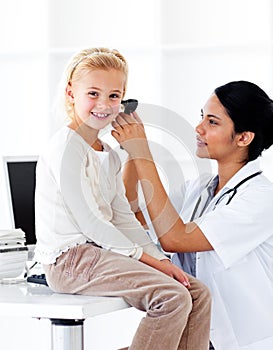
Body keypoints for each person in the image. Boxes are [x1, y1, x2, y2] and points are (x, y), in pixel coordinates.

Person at [34, 47, 211, 350]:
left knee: (196, 293)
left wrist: (158, 259)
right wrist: (146, 258)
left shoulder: (109, 156)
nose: (104, 104)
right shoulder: (66, 148)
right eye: (93, 93)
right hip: (70, 262)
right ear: (70, 93)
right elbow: (91, 224)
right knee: (171, 297)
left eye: (114, 96)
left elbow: (122, 217)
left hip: (101, 254)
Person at [112, 80, 273, 350]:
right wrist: (132, 152)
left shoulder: (262, 198)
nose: (198, 128)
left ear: (244, 137)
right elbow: (134, 217)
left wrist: (142, 151)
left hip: (235, 343)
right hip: (192, 334)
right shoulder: (198, 189)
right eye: (202, 117)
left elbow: (175, 238)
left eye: (212, 122)